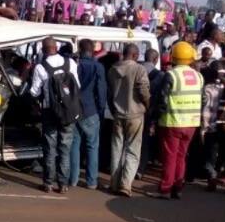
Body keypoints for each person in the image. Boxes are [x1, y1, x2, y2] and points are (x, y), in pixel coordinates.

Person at [148, 41, 204, 199]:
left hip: (172, 122)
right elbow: (203, 99)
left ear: (174, 56)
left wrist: (154, 119)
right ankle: (178, 189)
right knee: (181, 156)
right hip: (191, 123)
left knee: (170, 157)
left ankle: (165, 189)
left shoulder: (171, 75)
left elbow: (162, 100)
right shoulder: (198, 76)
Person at [30, 37, 81, 194]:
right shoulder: (70, 63)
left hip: (50, 112)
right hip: (68, 112)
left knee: (50, 148)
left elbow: (34, 91)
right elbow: (77, 86)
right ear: (56, 47)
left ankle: (48, 183)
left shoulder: (40, 67)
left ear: (44, 50)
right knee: (65, 148)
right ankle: (63, 184)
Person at [107, 43, 151, 197]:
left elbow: (110, 93)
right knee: (133, 150)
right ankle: (125, 185)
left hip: (118, 114)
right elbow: (143, 90)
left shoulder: (112, 70)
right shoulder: (139, 69)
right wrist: (147, 104)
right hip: (136, 114)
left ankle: (114, 183)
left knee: (116, 149)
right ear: (135, 55)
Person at [69, 39, 106, 189]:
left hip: (74, 109)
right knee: (92, 146)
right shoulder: (98, 67)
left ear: (79, 49)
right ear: (92, 50)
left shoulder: (74, 66)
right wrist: (101, 110)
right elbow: (101, 91)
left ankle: (73, 179)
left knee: (74, 145)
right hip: (91, 110)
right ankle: (91, 181)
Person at [137, 48, 165, 180]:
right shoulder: (160, 75)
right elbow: (161, 97)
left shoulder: (136, 70)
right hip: (149, 112)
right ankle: (140, 169)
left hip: (134, 109)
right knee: (145, 142)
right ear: (156, 60)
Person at [201, 62, 223, 191]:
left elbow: (205, 111)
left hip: (208, 126)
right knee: (214, 154)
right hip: (220, 125)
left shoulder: (206, 90)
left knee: (207, 155)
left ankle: (212, 176)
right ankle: (213, 174)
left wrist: (203, 129)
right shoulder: (222, 88)